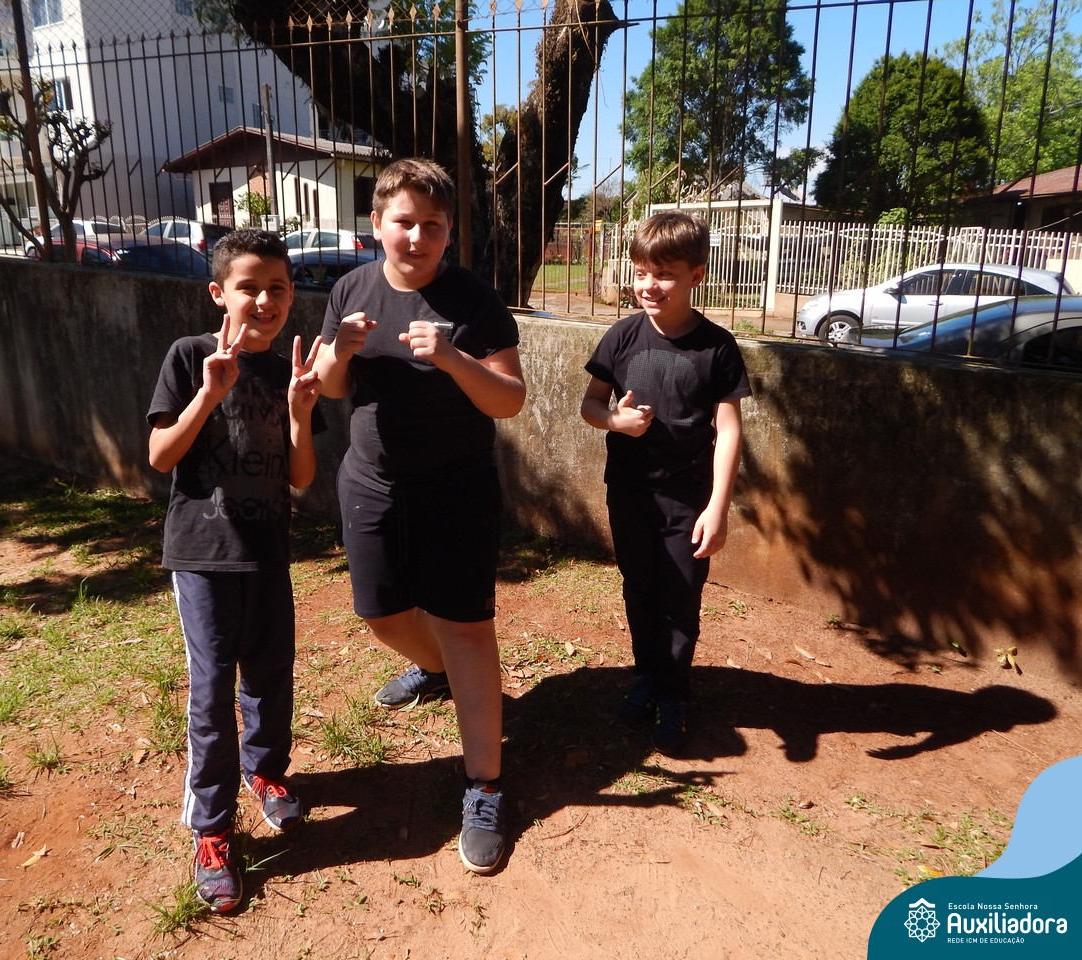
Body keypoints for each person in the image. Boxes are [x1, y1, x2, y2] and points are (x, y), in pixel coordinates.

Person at [312, 157, 526, 874]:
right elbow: (330, 385)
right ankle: (435, 670)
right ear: (377, 224)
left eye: (432, 225)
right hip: (371, 482)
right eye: (404, 222)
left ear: (449, 232)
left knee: (466, 628)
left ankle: (484, 785)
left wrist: (455, 358)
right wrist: (337, 353)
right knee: (380, 614)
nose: (417, 236)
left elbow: (509, 399)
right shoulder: (350, 288)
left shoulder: (472, 299)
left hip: (457, 488)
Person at [146, 229, 323, 913]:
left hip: (267, 552)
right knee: (213, 690)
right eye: (250, 287)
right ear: (219, 293)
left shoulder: (285, 373)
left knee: (271, 676)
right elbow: (161, 455)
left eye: (278, 288)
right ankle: (212, 828)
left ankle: (265, 771)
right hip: (203, 555)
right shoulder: (191, 355)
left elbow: (301, 476)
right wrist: (208, 394)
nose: (265, 300)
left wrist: (301, 413)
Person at [579, 211, 750, 756]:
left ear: (696, 275)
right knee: (640, 588)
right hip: (630, 493)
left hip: (687, 501)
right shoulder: (621, 336)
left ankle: (675, 692)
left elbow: (729, 430)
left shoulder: (717, 346)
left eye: (665, 274)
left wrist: (718, 507)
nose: (649, 285)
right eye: (641, 272)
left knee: (680, 596)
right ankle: (646, 677)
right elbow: (590, 404)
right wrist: (614, 421)